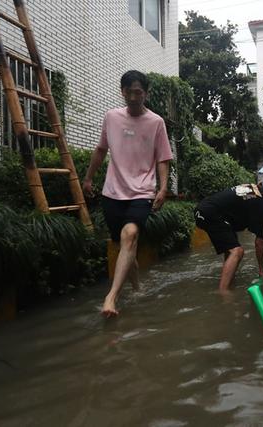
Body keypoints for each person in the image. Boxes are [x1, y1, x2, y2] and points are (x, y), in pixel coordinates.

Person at [83, 70, 173, 317]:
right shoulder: (111, 117)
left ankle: (111, 297)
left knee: (130, 234)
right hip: (112, 192)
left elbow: (163, 159)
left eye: (139, 93)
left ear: (146, 93)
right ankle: (137, 287)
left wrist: (163, 188)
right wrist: (89, 178)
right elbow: (101, 150)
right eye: (129, 92)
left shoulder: (156, 122)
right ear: (122, 91)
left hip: (142, 191)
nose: (134, 97)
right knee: (126, 245)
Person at [194, 181, 263, 294]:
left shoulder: (255, 188)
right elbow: (259, 242)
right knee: (237, 251)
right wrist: (262, 271)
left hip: (204, 209)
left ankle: (229, 280)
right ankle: (223, 293)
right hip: (209, 213)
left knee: (232, 247)